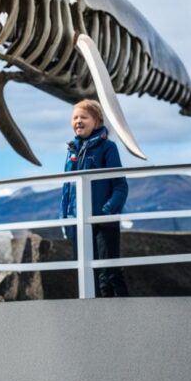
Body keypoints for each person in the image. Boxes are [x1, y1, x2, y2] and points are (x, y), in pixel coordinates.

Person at [60, 99, 130, 297]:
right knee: (85, 275)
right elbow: (67, 188)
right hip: (78, 224)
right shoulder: (71, 151)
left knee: (109, 274)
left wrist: (105, 212)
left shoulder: (108, 148)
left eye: (84, 117)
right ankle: (93, 322)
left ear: (97, 121)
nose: (78, 121)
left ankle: (125, 318)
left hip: (102, 223)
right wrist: (65, 218)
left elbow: (120, 186)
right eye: (75, 117)